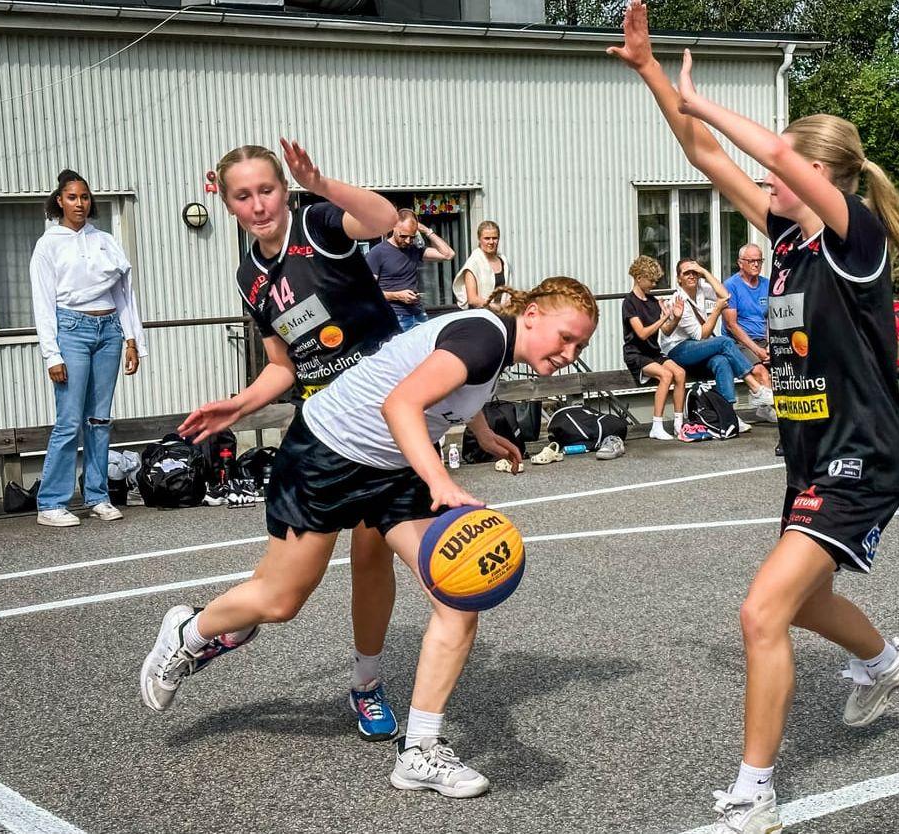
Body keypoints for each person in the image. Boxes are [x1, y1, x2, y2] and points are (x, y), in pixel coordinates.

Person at [611, 4, 899, 830]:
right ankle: (887, 661)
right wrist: (653, 75)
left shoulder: (848, 237)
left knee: (760, 612)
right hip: (807, 449)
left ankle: (754, 794)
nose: (764, 183)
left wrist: (703, 96)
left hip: (858, 451)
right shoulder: (786, 238)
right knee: (804, 602)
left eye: (780, 174)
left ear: (821, 177)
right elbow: (703, 154)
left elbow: (769, 151)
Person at [142, 277, 599, 797]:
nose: (569, 353)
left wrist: (483, 433)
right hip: (326, 454)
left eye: (580, 347)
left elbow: (449, 385)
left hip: (392, 467)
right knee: (279, 600)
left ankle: (420, 751)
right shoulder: (487, 337)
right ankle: (189, 633)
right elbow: (401, 405)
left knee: (459, 594)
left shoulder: (495, 344)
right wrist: (442, 482)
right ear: (533, 314)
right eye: (565, 338)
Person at [174, 140, 407, 742]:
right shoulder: (249, 274)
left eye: (267, 190)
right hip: (325, 425)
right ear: (226, 204)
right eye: (243, 196)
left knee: (373, 552)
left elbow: (384, 221)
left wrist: (322, 182)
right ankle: (212, 624)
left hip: (385, 413)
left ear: (284, 188)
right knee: (285, 593)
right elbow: (283, 365)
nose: (259, 205)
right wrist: (240, 404)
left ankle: (367, 684)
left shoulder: (317, 221)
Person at [30, 169, 145, 528]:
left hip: (109, 329)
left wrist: (132, 340)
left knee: (99, 420)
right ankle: (51, 502)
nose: (80, 203)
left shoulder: (105, 240)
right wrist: (52, 353)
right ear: (59, 201)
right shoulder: (49, 244)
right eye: (72, 197)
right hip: (72, 330)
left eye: (84, 197)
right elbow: (43, 302)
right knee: (68, 421)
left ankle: (98, 495)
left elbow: (124, 295)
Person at [659, 258, 775, 428]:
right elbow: (701, 334)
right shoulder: (678, 301)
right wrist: (717, 310)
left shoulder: (700, 289)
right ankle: (755, 388)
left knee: (722, 361)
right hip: (678, 351)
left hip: (697, 348)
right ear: (679, 279)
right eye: (686, 273)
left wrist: (704, 272)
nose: (691, 276)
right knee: (725, 342)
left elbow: (725, 295)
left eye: (694, 273)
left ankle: (728, 414)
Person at [622, 255, 690, 440]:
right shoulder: (629, 303)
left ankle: (678, 423)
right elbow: (642, 333)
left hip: (653, 352)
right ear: (638, 278)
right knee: (666, 375)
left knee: (680, 373)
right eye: (651, 280)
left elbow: (666, 331)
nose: (653, 284)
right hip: (636, 354)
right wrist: (662, 318)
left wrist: (674, 317)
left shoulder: (653, 302)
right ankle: (657, 425)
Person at [366, 209, 455, 331]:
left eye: (412, 237)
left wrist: (426, 231)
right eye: (403, 236)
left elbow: (448, 254)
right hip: (395, 316)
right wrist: (396, 296)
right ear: (394, 227)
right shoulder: (377, 253)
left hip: (418, 313)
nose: (408, 241)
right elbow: (368, 294)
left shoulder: (414, 249)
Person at [723, 243, 774, 401]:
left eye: (759, 260)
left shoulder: (767, 284)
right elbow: (731, 325)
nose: (756, 264)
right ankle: (777, 415)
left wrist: (770, 345)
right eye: (751, 261)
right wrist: (757, 351)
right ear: (740, 263)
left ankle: (766, 409)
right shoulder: (731, 286)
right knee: (761, 372)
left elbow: (771, 318)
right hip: (740, 342)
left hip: (764, 340)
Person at [453, 220, 510, 310]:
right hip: (480, 316)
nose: (491, 242)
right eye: (487, 238)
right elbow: (472, 299)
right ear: (479, 239)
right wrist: (496, 307)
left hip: (503, 314)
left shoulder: (503, 261)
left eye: (495, 238)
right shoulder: (473, 263)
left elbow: (508, 292)